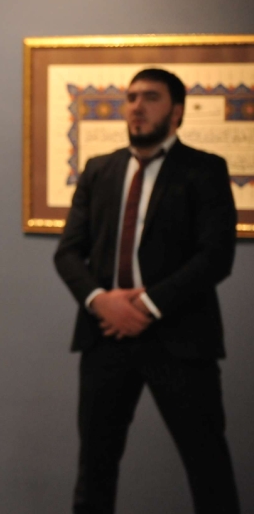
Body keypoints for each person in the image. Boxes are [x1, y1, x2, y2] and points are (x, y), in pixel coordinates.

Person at [54, 68, 240, 514]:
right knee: (95, 470)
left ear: (176, 111)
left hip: (180, 337)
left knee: (208, 467)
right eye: (132, 97)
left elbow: (216, 256)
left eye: (151, 97)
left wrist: (147, 305)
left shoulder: (205, 169)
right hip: (105, 336)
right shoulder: (99, 169)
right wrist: (102, 301)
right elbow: (68, 252)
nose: (137, 106)